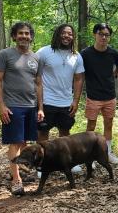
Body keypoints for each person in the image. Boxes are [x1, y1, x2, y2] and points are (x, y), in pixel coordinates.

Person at [0, 22, 44, 195]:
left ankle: (18, 170)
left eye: (27, 34)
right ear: (14, 36)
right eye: (20, 33)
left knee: (24, 143)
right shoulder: (5, 54)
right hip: (13, 106)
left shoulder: (36, 58)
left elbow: (38, 84)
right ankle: (16, 181)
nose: (24, 36)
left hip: (31, 107)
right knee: (15, 143)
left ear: (31, 37)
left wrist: (40, 108)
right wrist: (2, 106)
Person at [36, 24, 85, 173]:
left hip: (66, 102)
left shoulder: (76, 55)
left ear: (73, 37)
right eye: (63, 33)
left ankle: (67, 162)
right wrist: (39, 105)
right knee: (43, 134)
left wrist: (76, 101)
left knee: (65, 134)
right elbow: (37, 77)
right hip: (47, 101)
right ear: (57, 34)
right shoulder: (44, 52)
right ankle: (42, 164)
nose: (66, 36)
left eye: (70, 34)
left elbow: (78, 79)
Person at [80, 23, 118, 164]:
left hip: (110, 95)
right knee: (91, 126)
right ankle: (89, 156)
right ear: (95, 35)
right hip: (93, 96)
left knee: (108, 124)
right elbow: (79, 72)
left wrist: (111, 77)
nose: (103, 37)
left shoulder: (113, 53)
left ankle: (107, 153)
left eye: (106, 35)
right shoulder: (85, 53)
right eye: (101, 34)